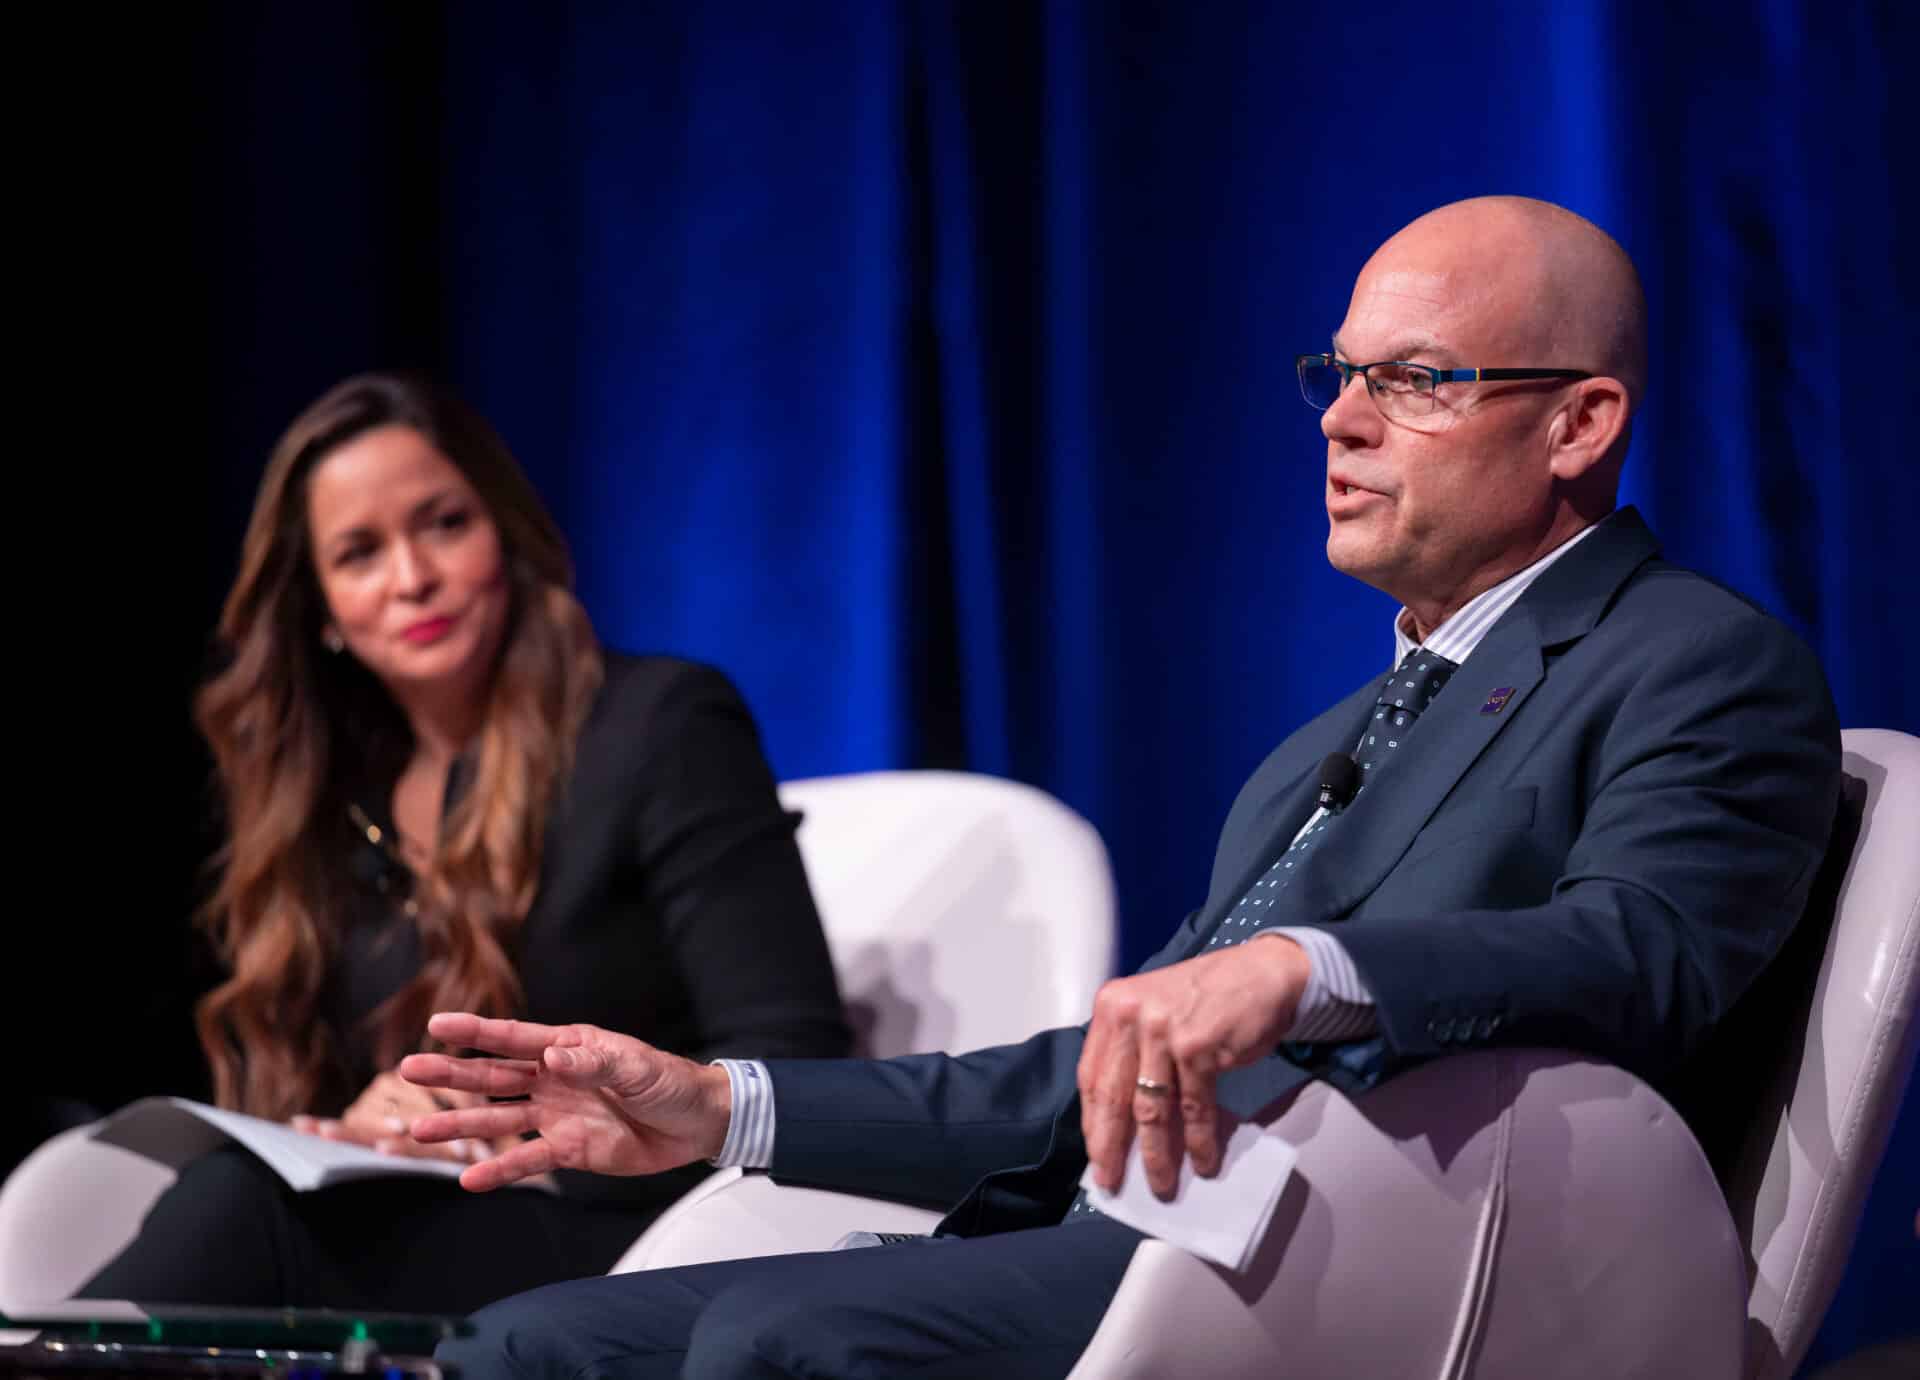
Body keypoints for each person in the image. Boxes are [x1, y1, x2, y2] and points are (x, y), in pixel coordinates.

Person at [405, 197, 1844, 1379]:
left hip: (1384, 1274)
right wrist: (719, 1107)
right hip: (1134, 1235)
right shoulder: (1327, 741)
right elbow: (1083, 1084)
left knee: (784, 1345)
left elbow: (1642, 949)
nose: (1342, 421)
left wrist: (1307, 966)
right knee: (518, 1349)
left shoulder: (1699, 661)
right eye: (1337, 376)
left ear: (1581, 423)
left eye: (1416, 380)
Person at [67, 372, 850, 1314]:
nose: (412, 578)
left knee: (241, 1214)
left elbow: (795, 1058)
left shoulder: (660, 725)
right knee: (237, 1198)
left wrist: (543, 1143)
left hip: (640, 1235)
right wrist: (354, 1126)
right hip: (427, 1229)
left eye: (443, 523)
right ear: (321, 613)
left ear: (505, 535)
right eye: (359, 553)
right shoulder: (327, 804)